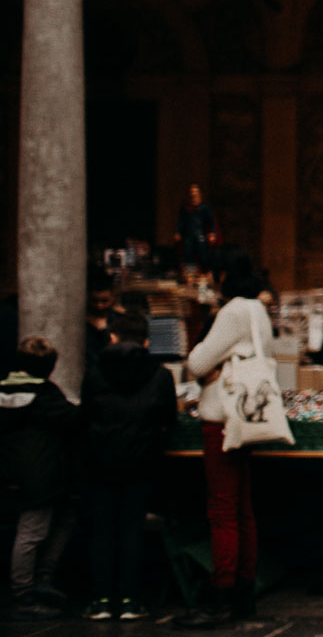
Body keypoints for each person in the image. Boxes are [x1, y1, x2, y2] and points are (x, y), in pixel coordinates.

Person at [177, 250, 274, 629]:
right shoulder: (258, 310)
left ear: (221, 276)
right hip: (247, 417)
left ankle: (220, 595)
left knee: (221, 510)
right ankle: (243, 592)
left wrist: (211, 365)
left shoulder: (231, 312)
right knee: (243, 508)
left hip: (223, 418)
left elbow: (196, 363)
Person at [81, 309, 178, 621]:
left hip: (100, 458)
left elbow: (86, 415)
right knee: (132, 528)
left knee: (102, 529)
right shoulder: (161, 375)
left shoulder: (94, 371)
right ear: (147, 341)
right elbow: (169, 420)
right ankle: (129, 600)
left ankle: (100, 600)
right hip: (142, 459)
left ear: (112, 337)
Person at [2, 336, 80, 622]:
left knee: (42, 525)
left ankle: (36, 583)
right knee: (33, 531)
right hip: (42, 474)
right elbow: (74, 419)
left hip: (11, 472)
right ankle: (25, 592)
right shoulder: (46, 395)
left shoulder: (2, 390)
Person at [175, 183, 221, 272]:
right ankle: (190, 274)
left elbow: (211, 221)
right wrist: (178, 232)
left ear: (199, 193)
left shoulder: (205, 207)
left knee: (203, 255)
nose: (193, 193)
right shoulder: (186, 207)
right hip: (189, 235)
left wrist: (212, 233)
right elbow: (181, 221)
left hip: (200, 235)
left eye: (195, 191)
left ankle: (205, 273)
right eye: (192, 192)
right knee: (188, 255)